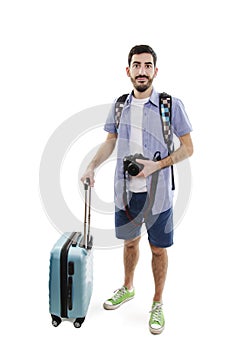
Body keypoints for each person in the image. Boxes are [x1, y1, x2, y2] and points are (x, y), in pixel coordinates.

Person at [81, 45, 193, 334]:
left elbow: (189, 149)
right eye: (136, 65)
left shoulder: (171, 105)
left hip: (159, 195)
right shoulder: (120, 104)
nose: (141, 71)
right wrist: (92, 165)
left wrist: (158, 166)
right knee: (129, 243)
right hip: (126, 193)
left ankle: (157, 302)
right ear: (128, 70)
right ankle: (127, 287)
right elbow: (110, 141)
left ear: (155, 70)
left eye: (147, 65)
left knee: (158, 249)